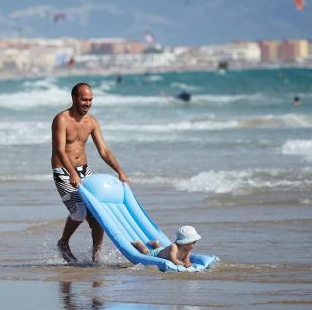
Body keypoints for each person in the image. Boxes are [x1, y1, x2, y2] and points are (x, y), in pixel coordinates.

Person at [52, 83, 130, 263]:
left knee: (97, 215)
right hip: (63, 171)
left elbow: (104, 151)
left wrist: (120, 171)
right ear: (74, 98)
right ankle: (63, 243)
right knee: (79, 212)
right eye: (83, 99)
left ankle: (96, 257)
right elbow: (60, 151)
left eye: (90, 100)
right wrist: (72, 173)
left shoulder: (92, 122)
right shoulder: (61, 119)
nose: (87, 103)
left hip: (84, 171)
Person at [131, 225, 202, 268]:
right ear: (185, 243)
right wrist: (182, 264)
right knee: (146, 252)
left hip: (163, 251)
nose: (194, 245)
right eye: (193, 242)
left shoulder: (187, 249)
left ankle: (155, 243)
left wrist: (188, 263)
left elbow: (186, 258)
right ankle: (139, 244)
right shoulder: (174, 247)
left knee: (161, 249)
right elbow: (173, 259)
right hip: (156, 254)